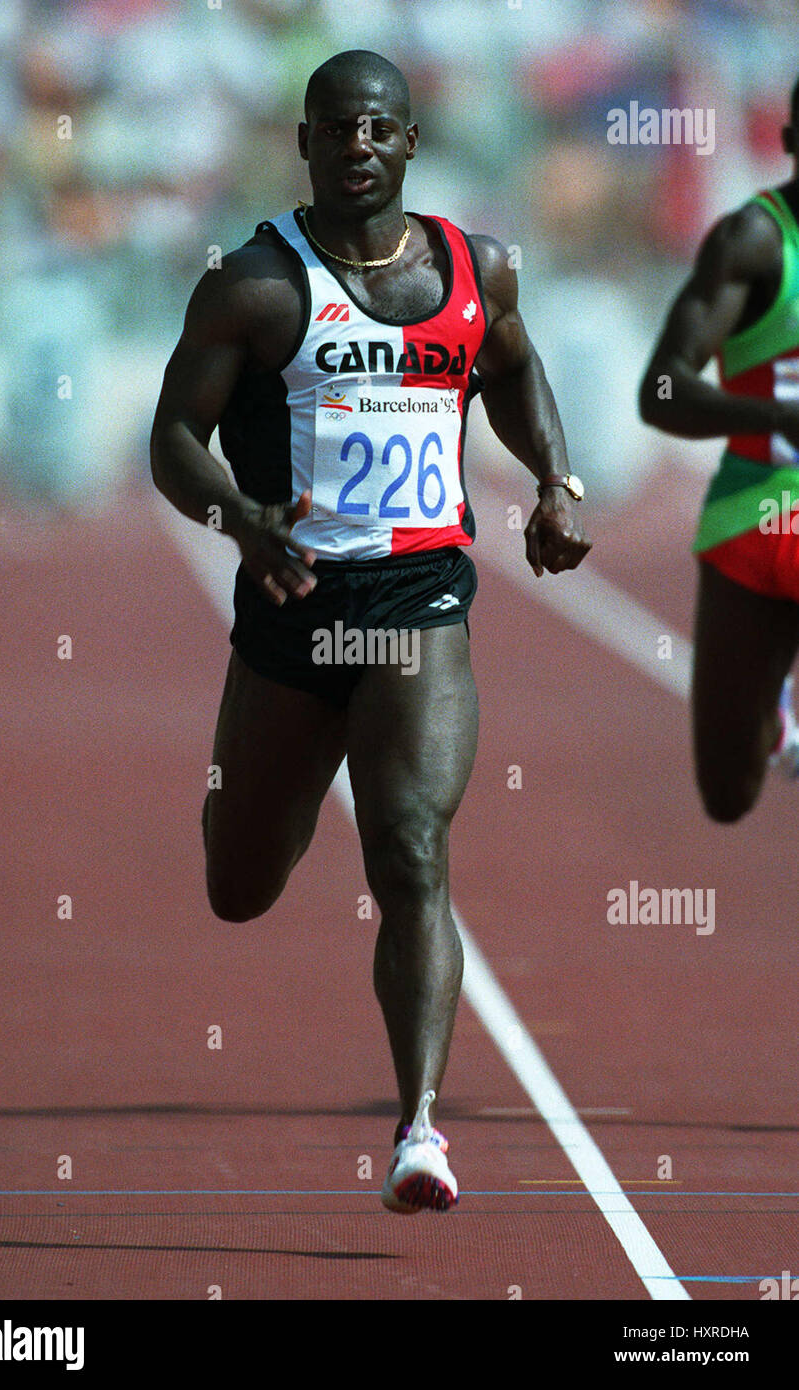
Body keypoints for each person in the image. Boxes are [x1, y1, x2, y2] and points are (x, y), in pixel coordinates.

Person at [151, 50, 590, 1212]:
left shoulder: (473, 266)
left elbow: (512, 365)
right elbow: (171, 441)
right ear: (303, 144)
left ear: (408, 145)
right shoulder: (253, 285)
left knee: (409, 847)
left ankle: (420, 1131)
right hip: (291, 610)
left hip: (417, 607)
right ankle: (256, 810)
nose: (357, 143)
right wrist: (238, 519)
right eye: (335, 126)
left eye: (379, 127)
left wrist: (554, 480)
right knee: (239, 885)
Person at [640, 79, 799, 824]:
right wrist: (772, 414)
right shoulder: (753, 240)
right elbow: (660, 393)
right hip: (754, 512)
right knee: (727, 793)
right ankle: (777, 718)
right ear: (791, 144)